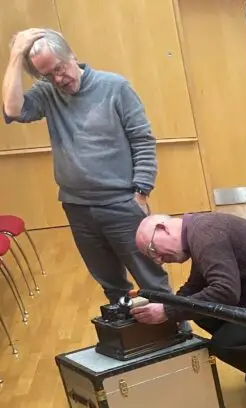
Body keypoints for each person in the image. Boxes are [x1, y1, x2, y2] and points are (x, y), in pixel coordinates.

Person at [2, 29, 175, 306]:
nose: (58, 79)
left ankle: (179, 337)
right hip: (77, 207)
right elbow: (12, 110)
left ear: (72, 55)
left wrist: (141, 193)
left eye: (60, 68)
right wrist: (14, 56)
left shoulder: (115, 87)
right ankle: (134, 340)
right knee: (110, 284)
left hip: (121, 203)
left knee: (151, 279)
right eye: (48, 75)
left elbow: (142, 140)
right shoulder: (47, 93)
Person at [131, 212, 246, 408]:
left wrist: (168, 311)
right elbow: (197, 285)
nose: (159, 260)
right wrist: (168, 305)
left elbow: (225, 292)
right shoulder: (199, 230)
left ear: (163, 228)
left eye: (153, 250)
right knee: (202, 314)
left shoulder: (206, 234)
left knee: (225, 344)